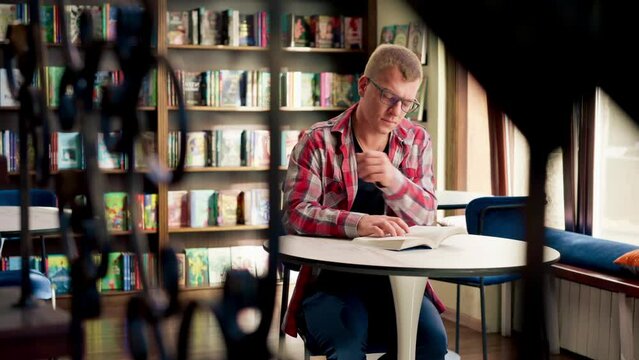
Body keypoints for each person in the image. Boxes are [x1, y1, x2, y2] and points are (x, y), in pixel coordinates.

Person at [281, 44, 447, 360]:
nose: (397, 111)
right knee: (345, 349)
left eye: (407, 103)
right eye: (389, 97)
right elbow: (295, 215)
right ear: (363, 86)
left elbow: (427, 216)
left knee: (431, 345)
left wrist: (394, 180)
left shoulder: (417, 141)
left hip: (398, 282)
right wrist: (359, 222)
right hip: (331, 284)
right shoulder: (318, 141)